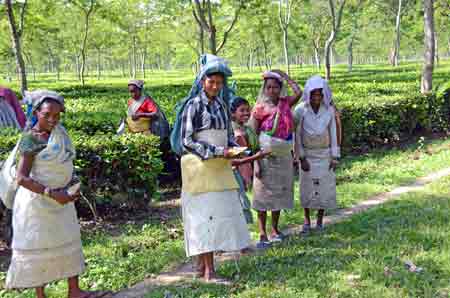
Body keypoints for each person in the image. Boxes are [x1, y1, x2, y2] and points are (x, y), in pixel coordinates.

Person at [5, 90, 110, 298]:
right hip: (37, 203)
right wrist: (52, 193)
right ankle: (40, 294)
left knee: (68, 239)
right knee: (40, 245)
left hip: (62, 200)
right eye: (47, 115)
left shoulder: (59, 134)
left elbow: (65, 162)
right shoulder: (31, 139)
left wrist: (72, 184)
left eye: (57, 115)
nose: (52, 119)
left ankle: (74, 291)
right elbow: (21, 178)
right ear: (36, 113)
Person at [177, 55, 250, 281]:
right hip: (201, 168)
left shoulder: (221, 105)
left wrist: (234, 149)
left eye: (219, 83)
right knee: (203, 217)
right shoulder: (194, 106)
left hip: (219, 168)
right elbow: (187, 140)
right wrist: (218, 151)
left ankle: (203, 268)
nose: (216, 87)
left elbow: (227, 136)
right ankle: (208, 271)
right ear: (202, 82)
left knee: (218, 215)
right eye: (211, 82)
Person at [249, 70, 302, 248]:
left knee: (279, 193)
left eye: (276, 87)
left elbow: (298, 92)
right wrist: (255, 162)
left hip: (283, 158)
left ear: (280, 89)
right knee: (263, 195)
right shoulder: (259, 108)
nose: (272, 90)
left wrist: (284, 76)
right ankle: (262, 232)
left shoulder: (285, 103)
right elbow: (253, 137)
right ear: (265, 89)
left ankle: (275, 229)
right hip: (265, 159)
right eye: (269, 87)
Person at [294, 76, 340, 233]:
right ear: (308, 94)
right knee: (306, 188)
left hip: (325, 154)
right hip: (307, 155)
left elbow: (333, 132)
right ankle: (306, 221)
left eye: (320, 95)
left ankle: (320, 221)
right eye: (313, 95)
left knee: (324, 188)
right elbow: (297, 135)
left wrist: (335, 156)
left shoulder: (329, 110)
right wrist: (301, 157)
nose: (316, 98)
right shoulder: (300, 110)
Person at [230, 97, 269, 225]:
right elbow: (238, 159)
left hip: (245, 170)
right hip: (235, 173)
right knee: (239, 204)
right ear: (233, 113)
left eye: (248, 110)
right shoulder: (235, 133)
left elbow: (252, 150)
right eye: (242, 110)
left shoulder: (247, 129)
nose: (246, 113)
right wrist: (258, 157)